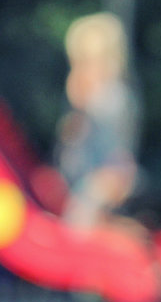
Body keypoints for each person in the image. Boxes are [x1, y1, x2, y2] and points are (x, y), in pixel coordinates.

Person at [55, 12, 140, 229]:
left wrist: (81, 107)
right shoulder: (93, 99)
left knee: (79, 221)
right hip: (84, 181)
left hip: (104, 181)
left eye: (85, 62)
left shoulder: (111, 97)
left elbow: (113, 154)